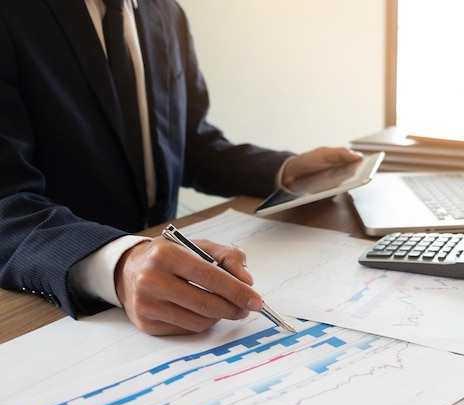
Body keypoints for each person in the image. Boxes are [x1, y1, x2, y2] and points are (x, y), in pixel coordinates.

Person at [0, 0, 362, 336]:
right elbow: (6, 204)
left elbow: (189, 144)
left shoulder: (166, 11)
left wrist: (284, 170)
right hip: (49, 309)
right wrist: (120, 260)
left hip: (170, 305)